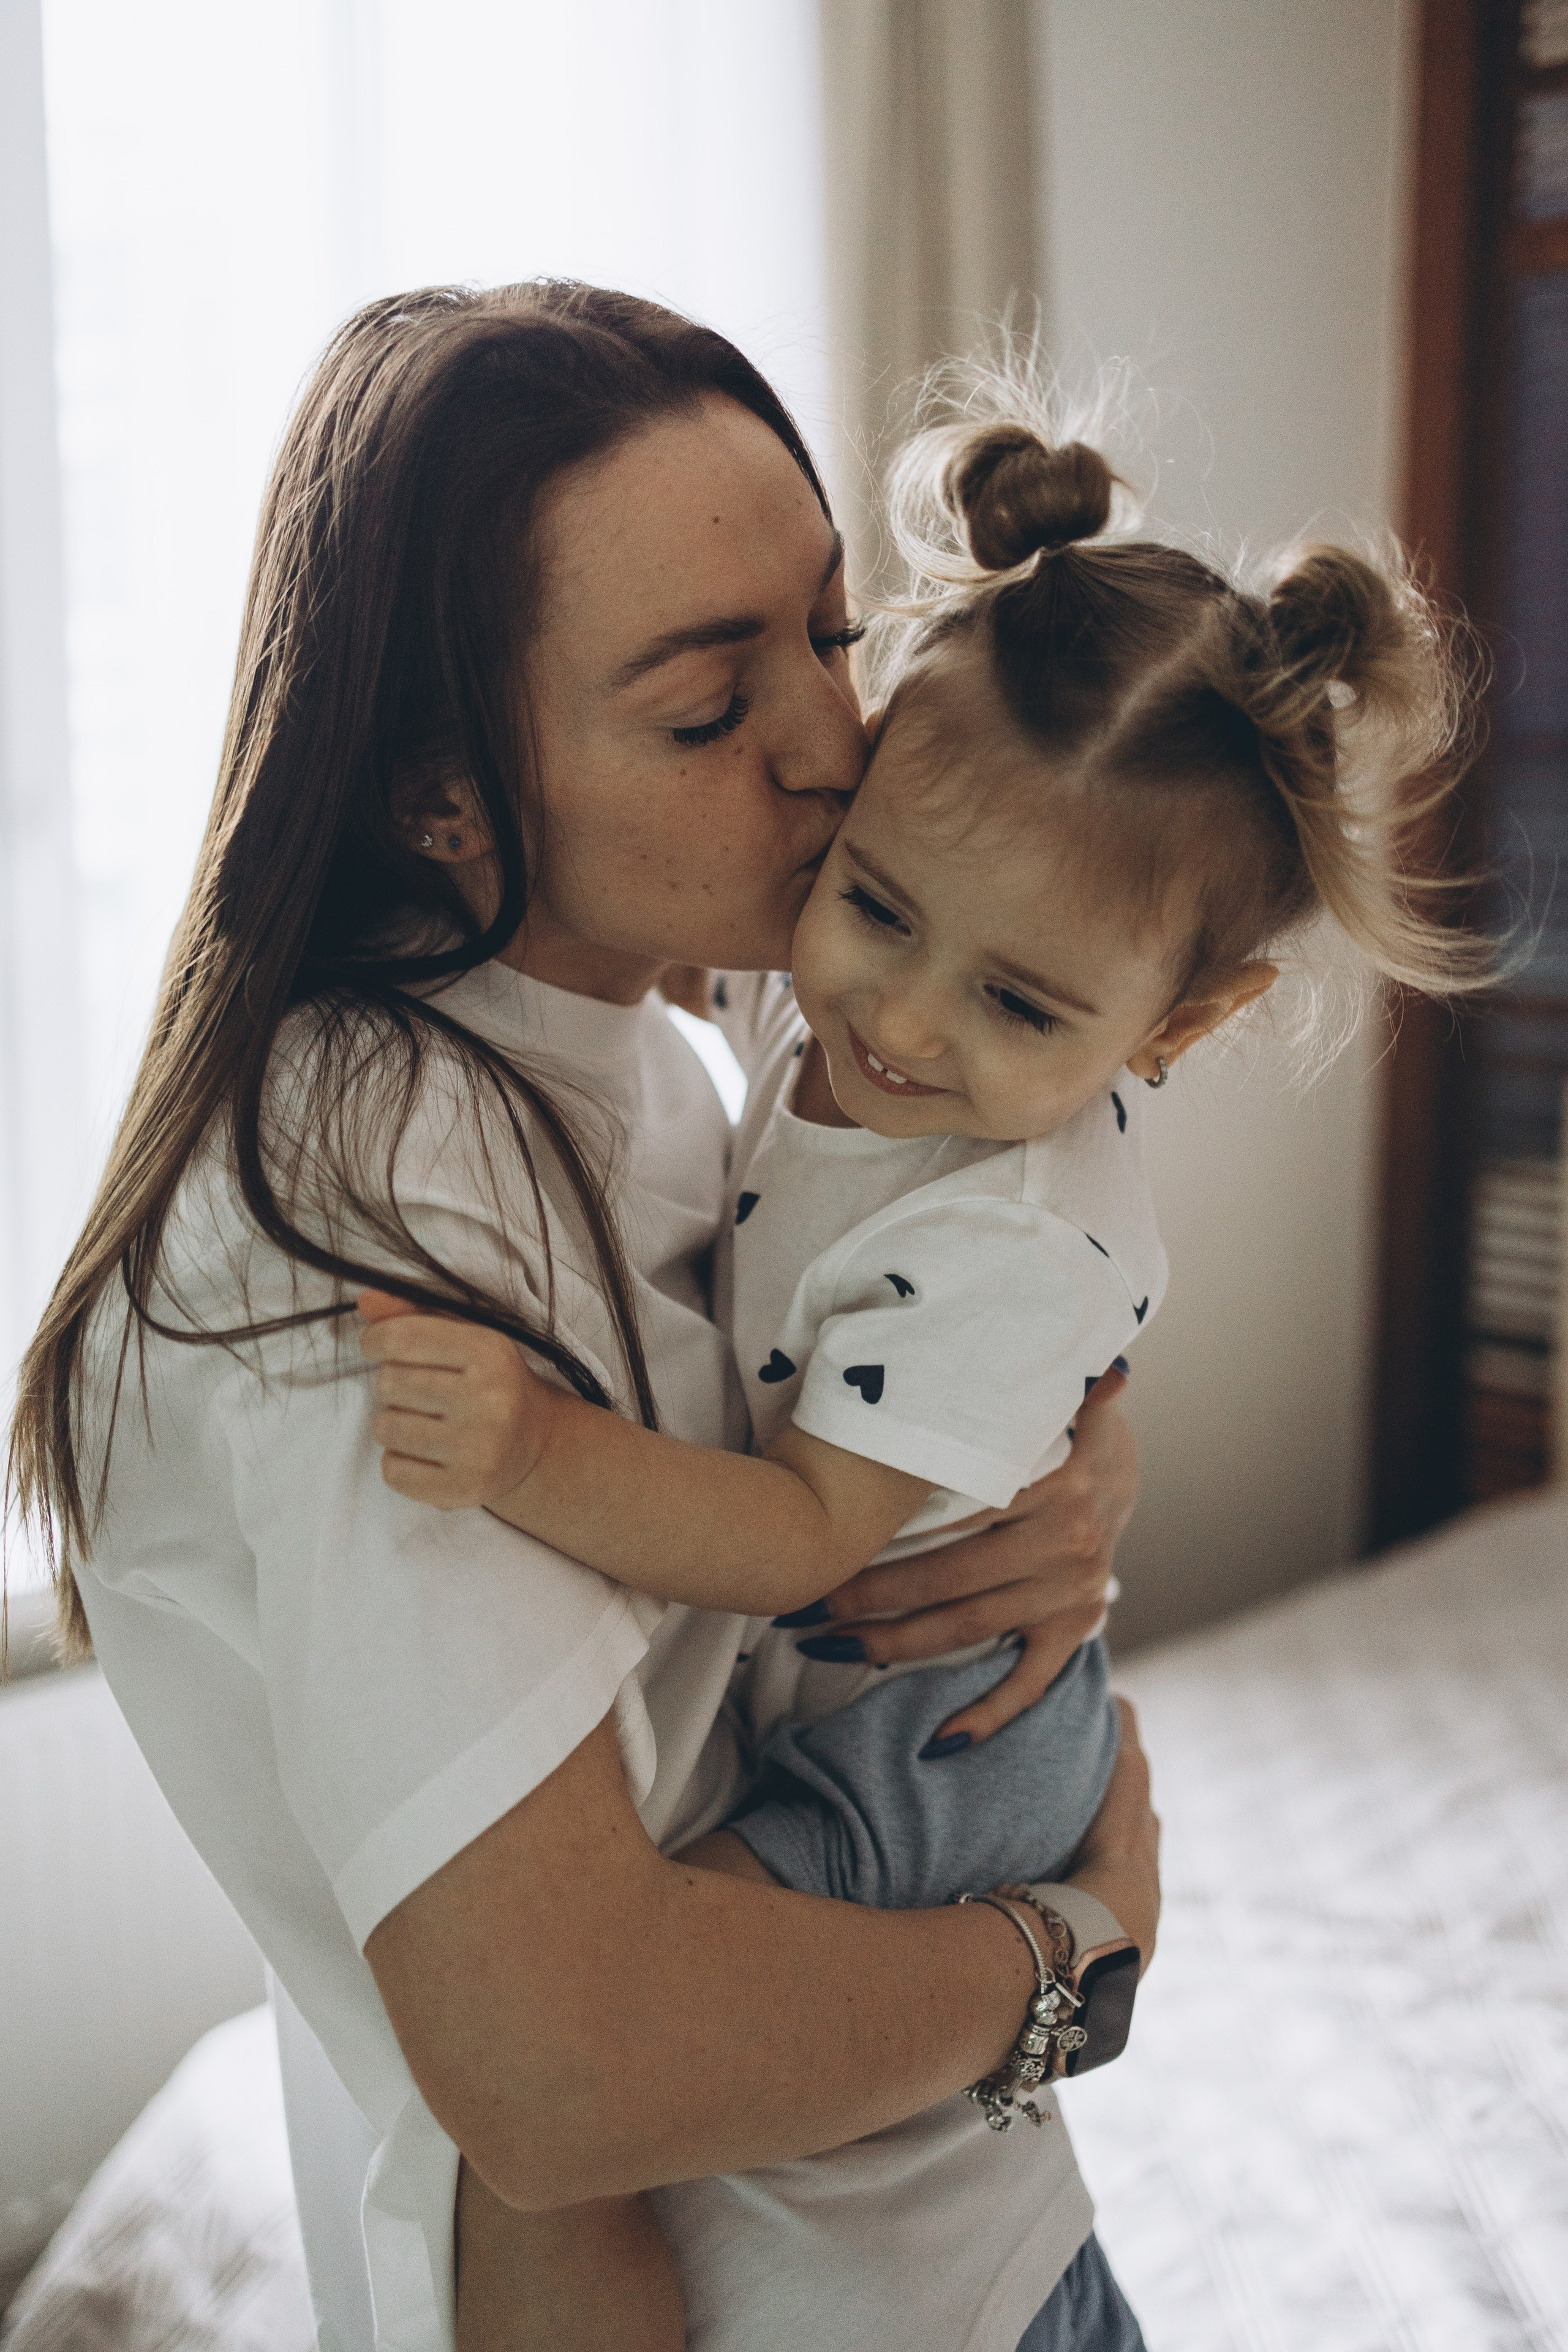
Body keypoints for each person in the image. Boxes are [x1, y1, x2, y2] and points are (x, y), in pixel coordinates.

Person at [7, 284, 1159, 2352]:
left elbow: (959, 1293)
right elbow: (561, 2074)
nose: (838, 745)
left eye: (829, 629)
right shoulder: (361, 1179)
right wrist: (1076, 1957)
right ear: (446, 794)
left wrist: (1061, 1467)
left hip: (927, 2245)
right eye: (710, 711)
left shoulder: (679, 1039)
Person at [355, 379, 1481, 2350]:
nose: (898, 1018)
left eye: (1022, 1000)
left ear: (1183, 1025)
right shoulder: (838, 1019)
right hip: (891, 1672)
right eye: (871, 900)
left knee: (635, 2053)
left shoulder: (1006, 1230)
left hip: (944, 1743)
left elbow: (801, 1538)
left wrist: (530, 1453)